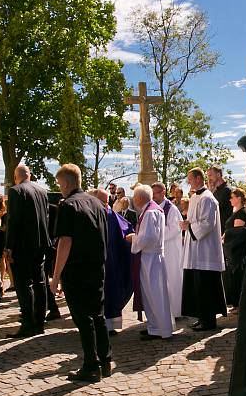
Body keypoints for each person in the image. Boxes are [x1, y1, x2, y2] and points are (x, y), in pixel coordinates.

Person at [50, 164, 111, 382]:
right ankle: (105, 361)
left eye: (59, 184)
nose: (60, 188)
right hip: (97, 267)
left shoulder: (68, 205)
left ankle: (91, 365)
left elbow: (65, 242)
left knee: (83, 317)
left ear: (66, 182)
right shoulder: (96, 202)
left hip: (76, 269)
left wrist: (56, 277)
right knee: (98, 315)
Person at [5, 164, 50, 338]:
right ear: (29, 176)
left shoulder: (16, 191)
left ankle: (28, 324)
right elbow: (46, 217)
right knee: (40, 283)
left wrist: (8, 246)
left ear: (17, 177)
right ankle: (40, 323)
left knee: (24, 285)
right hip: (40, 244)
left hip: (22, 245)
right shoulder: (42, 191)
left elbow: (13, 220)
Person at [180, 168, 226, 331]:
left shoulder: (208, 198)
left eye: (191, 179)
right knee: (197, 286)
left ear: (199, 179)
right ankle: (201, 317)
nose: (189, 182)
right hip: (196, 249)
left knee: (205, 287)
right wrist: (188, 224)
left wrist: (188, 226)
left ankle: (209, 320)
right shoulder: (194, 197)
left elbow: (208, 224)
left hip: (205, 251)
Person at [126, 185, 173, 340]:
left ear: (139, 198)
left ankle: (162, 329)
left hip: (150, 257)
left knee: (155, 294)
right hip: (151, 257)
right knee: (150, 294)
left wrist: (133, 238)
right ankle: (155, 328)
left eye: (134, 196)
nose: (133, 200)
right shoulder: (153, 210)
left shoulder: (150, 212)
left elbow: (147, 238)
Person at [88, 189, 133, 335]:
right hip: (107, 261)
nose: (106, 205)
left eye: (108, 202)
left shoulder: (107, 214)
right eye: (104, 202)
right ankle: (106, 325)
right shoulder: (107, 214)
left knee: (108, 291)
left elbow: (126, 230)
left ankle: (105, 325)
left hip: (108, 261)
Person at [152, 182, 184, 319]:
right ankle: (163, 310)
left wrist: (156, 235)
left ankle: (176, 311)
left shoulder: (171, 209)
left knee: (173, 278)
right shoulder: (154, 207)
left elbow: (175, 229)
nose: (153, 196)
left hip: (171, 249)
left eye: (156, 193)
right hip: (160, 249)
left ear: (163, 192)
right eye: (152, 193)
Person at [222, 188, 246, 310]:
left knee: (237, 277)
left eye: (232, 197)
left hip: (237, 252)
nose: (230, 199)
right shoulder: (236, 212)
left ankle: (239, 305)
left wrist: (225, 238)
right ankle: (236, 303)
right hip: (232, 251)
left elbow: (236, 234)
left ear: (239, 198)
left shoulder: (241, 214)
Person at [208, 165, 233, 233]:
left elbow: (212, 208)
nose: (209, 178)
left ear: (218, 174)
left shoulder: (226, 190)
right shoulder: (216, 191)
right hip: (218, 229)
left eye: (210, 175)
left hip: (225, 230)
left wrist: (210, 191)